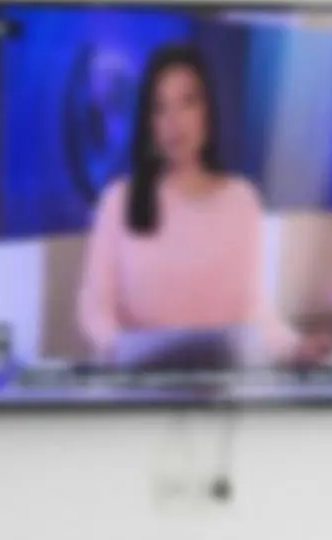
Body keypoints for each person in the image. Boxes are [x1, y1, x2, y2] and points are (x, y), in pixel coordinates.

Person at [75, 42, 316, 364]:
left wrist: (295, 347)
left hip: (222, 388)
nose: (175, 121)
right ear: (149, 123)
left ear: (208, 109)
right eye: (160, 108)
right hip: (140, 391)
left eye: (187, 102)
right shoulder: (119, 201)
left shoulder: (241, 198)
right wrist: (121, 355)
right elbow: (94, 310)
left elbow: (257, 309)